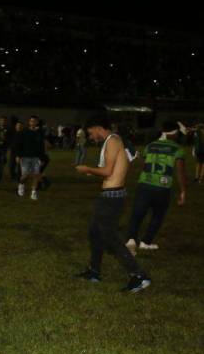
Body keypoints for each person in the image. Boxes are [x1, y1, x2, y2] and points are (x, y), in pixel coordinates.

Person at [74, 116, 151, 293]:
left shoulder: (112, 141)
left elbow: (108, 171)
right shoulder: (114, 140)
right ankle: (94, 272)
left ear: (97, 127)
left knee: (109, 237)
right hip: (111, 194)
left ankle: (139, 276)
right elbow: (120, 165)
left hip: (112, 196)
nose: (91, 137)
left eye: (90, 133)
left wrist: (87, 169)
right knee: (94, 232)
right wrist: (94, 172)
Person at [125, 121, 187, 253]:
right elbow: (180, 172)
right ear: (175, 133)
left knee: (138, 213)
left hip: (145, 183)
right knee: (158, 215)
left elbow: (144, 162)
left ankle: (130, 239)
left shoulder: (150, 145)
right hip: (162, 187)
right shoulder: (177, 149)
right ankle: (146, 242)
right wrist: (183, 191)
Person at [15, 115, 45, 200]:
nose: (33, 123)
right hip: (25, 157)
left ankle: (33, 192)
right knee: (25, 175)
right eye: (31, 121)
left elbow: (41, 146)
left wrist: (42, 158)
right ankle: (21, 185)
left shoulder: (39, 133)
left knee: (36, 175)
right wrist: (18, 155)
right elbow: (19, 144)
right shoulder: (24, 132)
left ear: (37, 122)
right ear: (29, 122)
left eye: (35, 121)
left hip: (36, 157)